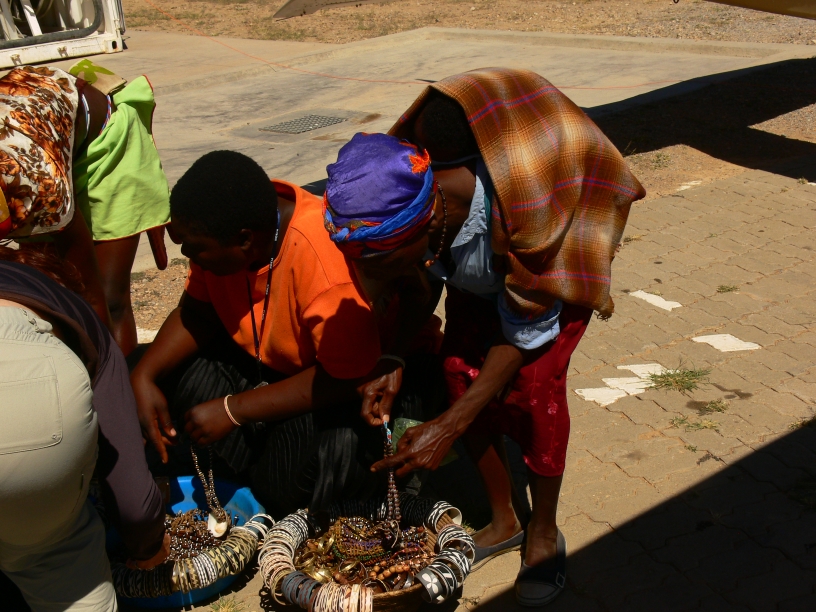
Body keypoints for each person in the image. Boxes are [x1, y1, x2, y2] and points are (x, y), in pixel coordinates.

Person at [323, 69, 645, 606]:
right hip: (485, 264)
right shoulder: (411, 198)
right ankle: (504, 520)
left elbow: (523, 335)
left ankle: (543, 531)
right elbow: (423, 276)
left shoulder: (526, 217)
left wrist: (448, 426)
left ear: (427, 227)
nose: (377, 283)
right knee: (457, 371)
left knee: (534, 397)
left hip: (549, 273)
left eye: (384, 266)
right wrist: (392, 355)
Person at [130, 150, 434, 517]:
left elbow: (348, 377)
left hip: (347, 384)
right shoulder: (231, 227)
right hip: (270, 370)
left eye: (195, 249)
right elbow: (197, 313)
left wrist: (233, 410)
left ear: (244, 240)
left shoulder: (322, 265)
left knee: (307, 475)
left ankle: (261, 471)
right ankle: (248, 460)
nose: (188, 254)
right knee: (147, 371)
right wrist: (143, 375)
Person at [0, 246, 168, 612]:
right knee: (56, 558)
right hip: (29, 394)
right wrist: (149, 547)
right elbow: (134, 502)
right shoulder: (73, 314)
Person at [0, 62, 171, 355]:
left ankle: (122, 377)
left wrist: (107, 373)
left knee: (107, 296)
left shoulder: (38, 189)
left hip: (104, 143)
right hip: (45, 139)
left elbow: (90, 295)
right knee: (49, 297)